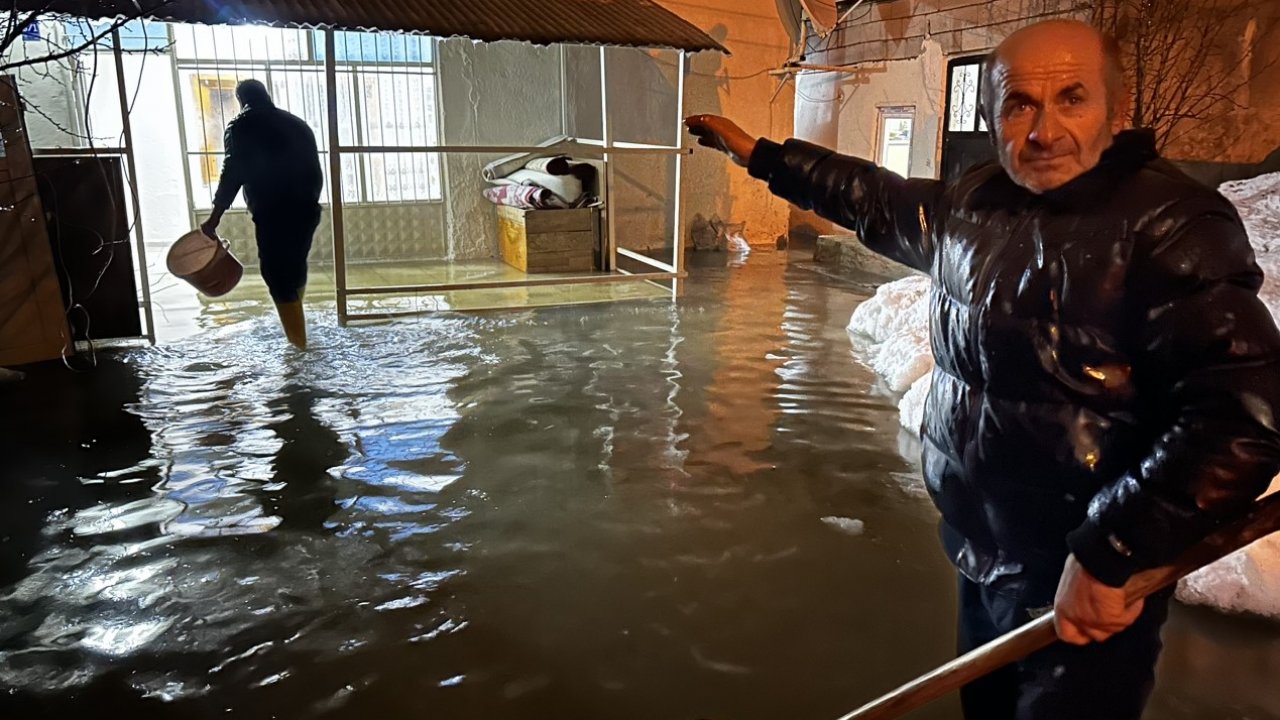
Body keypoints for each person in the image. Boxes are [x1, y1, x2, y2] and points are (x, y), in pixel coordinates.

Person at [688, 19, 1280, 720]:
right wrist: (764, 156)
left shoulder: (1171, 224)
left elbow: (1239, 419)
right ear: (991, 113)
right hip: (981, 549)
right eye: (1018, 104)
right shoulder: (977, 203)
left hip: (1087, 579)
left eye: (1072, 98)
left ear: (1116, 112)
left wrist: (1115, 551)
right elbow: (875, 199)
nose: (1042, 130)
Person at [201, 79, 323, 350]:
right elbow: (315, 168)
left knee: (276, 274)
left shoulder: (241, 125)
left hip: (273, 210)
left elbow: (233, 171)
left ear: (241, 100)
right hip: (307, 208)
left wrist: (214, 218)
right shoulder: (297, 123)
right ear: (267, 95)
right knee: (294, 266)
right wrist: (309, 203)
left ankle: (298, 347)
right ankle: (298, 324)